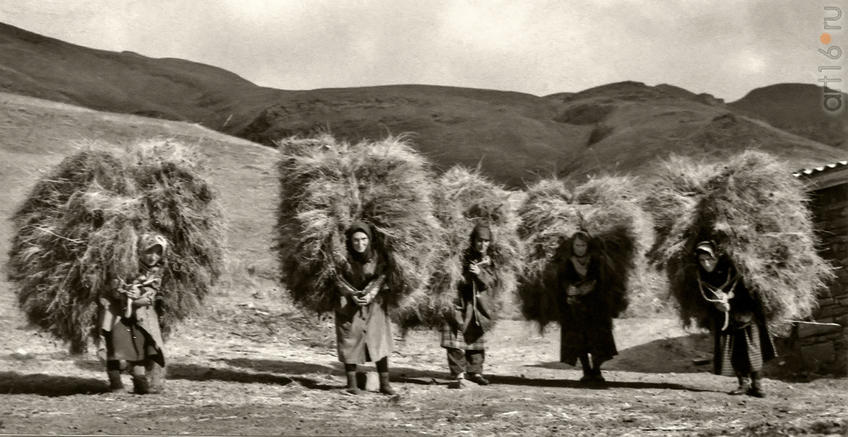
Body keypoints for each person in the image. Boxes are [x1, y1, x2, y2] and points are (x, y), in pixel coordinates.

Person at [694, 240, 776, 398]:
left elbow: (751, 292)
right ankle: (743, 384)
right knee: (734, 351)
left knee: (752, 349)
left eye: (709, 259)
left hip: (746, 315)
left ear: (717, 257)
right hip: (724, 320)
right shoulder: (701, 277)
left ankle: (757, 385)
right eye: (702, 260)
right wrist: (717, 306)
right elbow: (701, 300)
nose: (706, 263)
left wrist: (731, 300)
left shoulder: (733, 270)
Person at [98, 233, 168, 394]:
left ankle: (139, 380)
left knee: (140, 346)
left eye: (158, 252)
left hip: (140, 315)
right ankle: (115, 382)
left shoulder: (157, 272)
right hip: (116, 313)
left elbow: (152, 293)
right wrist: (123, 293)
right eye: (149, 251)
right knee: (114, 347)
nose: (153, 257)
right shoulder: (125, 266)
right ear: (140, 250)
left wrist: (141, 298)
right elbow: (112, 286)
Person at [335, 222, 396, 395]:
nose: (360, 244)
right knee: (349, 340)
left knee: (379, 341)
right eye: (355, 240)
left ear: (369, 240)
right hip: (348, 305)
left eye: (363, 239)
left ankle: (385, 384)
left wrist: (371, 293)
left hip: (374, 306)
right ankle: (351, 384)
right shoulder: (343, 258)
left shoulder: (378, 258)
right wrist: (351, 294)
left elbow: (382, 277)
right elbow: (336, 278)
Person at [441, 224, 498, 389]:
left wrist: (479, 273)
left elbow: (492, 282)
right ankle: (458, 374)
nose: (483, 245)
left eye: (486, 241)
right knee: (454, 338)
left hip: (477, 304)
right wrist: (466, 273)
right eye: (479, 241)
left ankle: (475, 372)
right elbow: (452, 276)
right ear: (473, 240)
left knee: (475, 337)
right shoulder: (462, 256)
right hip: (459, 301)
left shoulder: (489, 260)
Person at [557, 230, 617, 383]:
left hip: (596, 307)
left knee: (597, 339)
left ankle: (596, 370)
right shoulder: (567, 262)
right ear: (573, 246)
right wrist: (568, 289)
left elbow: (603, 280)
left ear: (588, 246)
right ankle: (586, 370)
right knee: (579, 340)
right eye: (577, 245)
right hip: (576, 308)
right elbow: (562, 280)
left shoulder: (597, 261)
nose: (580, 248)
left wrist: (591, 286)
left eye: (583, 245)